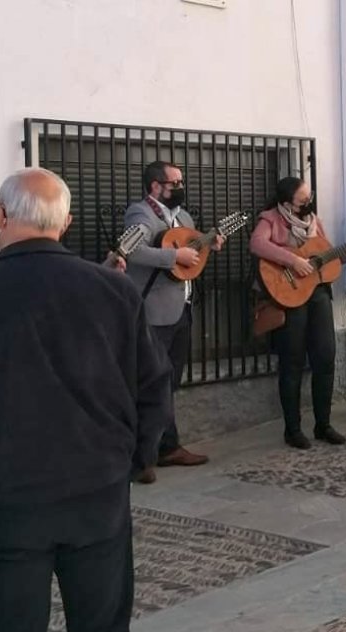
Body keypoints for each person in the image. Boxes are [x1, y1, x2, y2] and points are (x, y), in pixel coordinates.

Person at [0, 168, 172, 632]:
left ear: (1, 216)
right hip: (96, 498)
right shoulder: (115, 294)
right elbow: (154, 391)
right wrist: (130, 464)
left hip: (3, 505)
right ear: (66, 222)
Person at [110, 160, 222, 483]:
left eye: (181, 181)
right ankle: (141, 456)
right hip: (154, 312)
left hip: (181, 307)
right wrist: (174, 257)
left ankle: (167, 446)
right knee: (150, 384)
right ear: (156, 186)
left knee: (170, 381)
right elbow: (131, 250)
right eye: (175, 183)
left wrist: (208, 243)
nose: (180, 187)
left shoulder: (182, 217)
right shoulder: (140, 214)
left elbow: (192, 247)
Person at [250, 177, 346, 448]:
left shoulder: (314, 222)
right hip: (288, 298)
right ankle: (292, 429)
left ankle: (324, 424)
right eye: (302, 200)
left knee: (325, 357)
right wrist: (293, 260)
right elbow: (257, 245)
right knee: (292, 362)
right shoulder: (270, 219)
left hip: (317, 295)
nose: (308, 203)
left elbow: (329, 256)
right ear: (286, 203)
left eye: (309, 197)